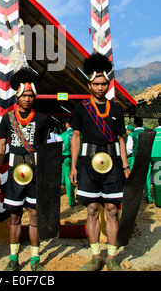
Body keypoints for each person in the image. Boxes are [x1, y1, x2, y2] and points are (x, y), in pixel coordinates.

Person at [69, 53, 130, 271]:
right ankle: (96, 257)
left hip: (113, 163)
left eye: (104, 84)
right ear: (89, 84)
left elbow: (122, 140)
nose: (100, 88)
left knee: (113, 209)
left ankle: (112, 258)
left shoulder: (116, 109)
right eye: (96, 84)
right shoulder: (81, 108)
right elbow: (76, 137)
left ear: (108, 84)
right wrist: (74, 165)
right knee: (92, 209)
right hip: (87, 164)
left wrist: (125, 165)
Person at [0, 67, 48, 272]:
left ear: (35, 96)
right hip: (14, 172)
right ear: (17, 95)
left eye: (30, 95)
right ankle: (13, 258)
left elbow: (44, 148)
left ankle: (35, 259)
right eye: (24, 95)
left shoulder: (42, 119)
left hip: (35, 172)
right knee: (14, 216)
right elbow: (1, 146)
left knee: (34, 216)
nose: (27, 98)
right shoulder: (8, 118)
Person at [126, 116, 153, 203]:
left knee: (135, 177)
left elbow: (129, 149)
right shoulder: (148, 132)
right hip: (146, 157)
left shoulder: (132, 134)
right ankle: (148, 197)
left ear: (134, 124)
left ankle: (134, 196)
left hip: (135, 158)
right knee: (147, 177)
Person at [61, 118, 76, 207]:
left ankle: (71, 201)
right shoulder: (79, 134)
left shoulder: (62, 135)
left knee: (68, 179)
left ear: (67, 124)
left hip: (67, 158)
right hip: (78, 158)